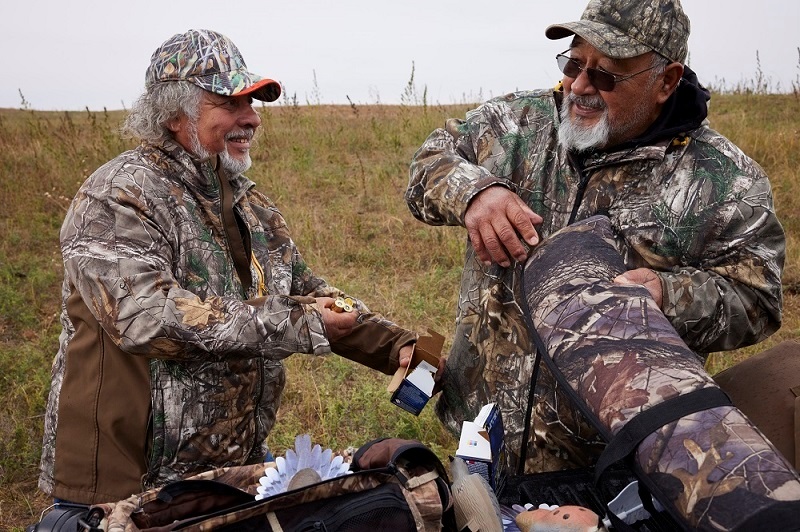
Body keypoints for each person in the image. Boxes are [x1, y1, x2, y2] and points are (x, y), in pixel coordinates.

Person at [39, 29, 423, 505]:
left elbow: (305, 288)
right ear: (174, 114)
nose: (253, 118)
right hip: (129, 479)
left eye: (254, 103)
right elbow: (143, 319)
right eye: (231, 104)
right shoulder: (118, 195)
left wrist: (397, 347)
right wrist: (300, 323)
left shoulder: (245, 199)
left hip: (226, 469)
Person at [406, 0, 785, 474]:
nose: (580, 86)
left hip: (608, 462)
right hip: (479, 438)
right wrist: (473, 192)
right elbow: (429, 161)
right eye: (573, 63)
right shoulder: (514, 124)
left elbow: (758, 299)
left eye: (607, 75)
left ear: (666, 81)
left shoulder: (727, 182)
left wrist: (666, 295)